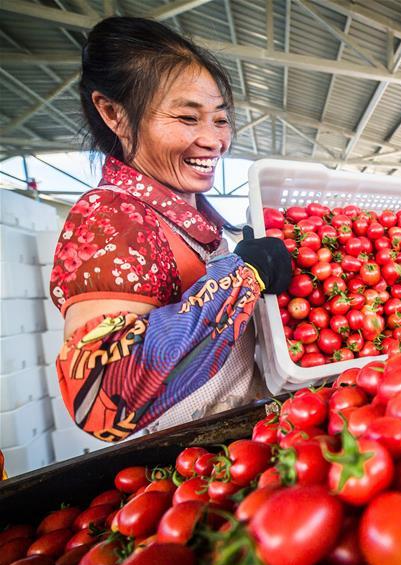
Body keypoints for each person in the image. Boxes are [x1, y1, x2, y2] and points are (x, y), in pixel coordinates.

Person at [49, 17, 291, 442]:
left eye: (219, 119)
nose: (214, 140)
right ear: (114, 114)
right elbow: (100, 395)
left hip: (244, 436)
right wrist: (243, 278)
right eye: (187, 117)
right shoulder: (111, 218)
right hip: (189, 462)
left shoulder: (193, 215)